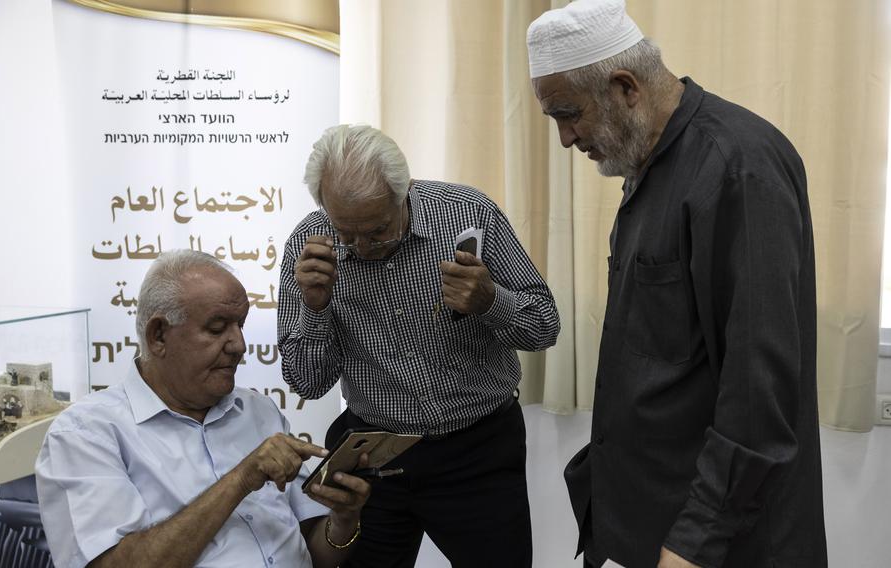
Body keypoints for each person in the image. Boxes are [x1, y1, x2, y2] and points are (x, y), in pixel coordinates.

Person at [527, 1, 828, 567]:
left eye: (569, 114)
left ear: (624, 87)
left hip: (718, 540)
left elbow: (758, 391)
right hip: (650, 516)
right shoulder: (647, 159)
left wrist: (692, 543)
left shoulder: (738, 167)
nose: (566, 138)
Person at [277, 124, 560, 567]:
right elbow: (308, 383)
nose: (363, 247)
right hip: (375, 456)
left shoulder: (469, 215)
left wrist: (491, 302)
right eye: (347, 234)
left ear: (403, 191)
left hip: (478, 452)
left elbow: (544, 327)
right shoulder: (307, 250)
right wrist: (315, 308)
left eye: (377, 230)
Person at [36, 250, 371, 568]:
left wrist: (343, 520)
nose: (239, 345)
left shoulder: (258, 410)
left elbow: (314, 553)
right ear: (158, 336)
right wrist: (241, 479)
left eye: (240, 324)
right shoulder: (86, 433)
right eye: (217, 328)